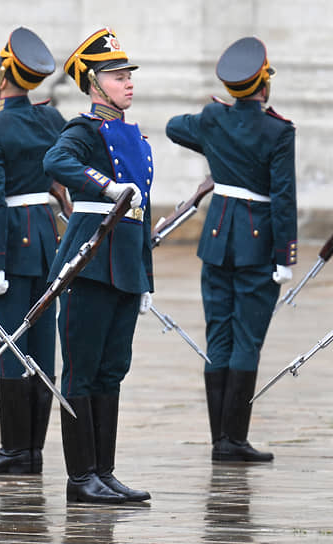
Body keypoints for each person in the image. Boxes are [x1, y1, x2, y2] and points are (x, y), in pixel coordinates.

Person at [166, 36, 296, 462]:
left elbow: (172, 126)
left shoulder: (211, 119)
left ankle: (219, 439)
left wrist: (220, 118)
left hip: (218, 238)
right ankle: (234, 441)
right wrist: (285, 255)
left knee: (218, 335)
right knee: (247, 339)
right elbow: (283, 197)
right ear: (264, 84)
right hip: (258, 246)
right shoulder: (278, 130)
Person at [43, 27, 153, 504]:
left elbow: (142, 212)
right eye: (117, 75)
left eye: (129, 75)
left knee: (112, 371)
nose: (128, 82)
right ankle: (79, 476)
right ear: (93, 83)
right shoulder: (83, 130)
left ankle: (103, 472)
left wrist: (144, 276)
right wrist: (105, 187)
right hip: (89, 264)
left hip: (126, 266)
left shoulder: (138, 138)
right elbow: (56, 160)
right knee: (81, 371)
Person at [0, 27, 65, 475]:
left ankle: (14, 451)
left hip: (12, 242)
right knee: (43, 348)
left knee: (11, 346)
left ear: (6, 75)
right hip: (46, 239)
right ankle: (34, 450)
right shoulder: (52, 120)